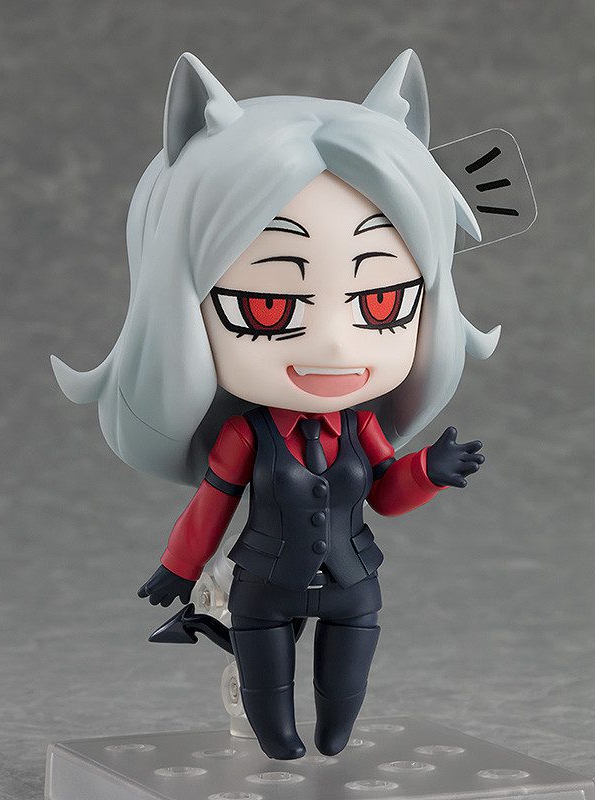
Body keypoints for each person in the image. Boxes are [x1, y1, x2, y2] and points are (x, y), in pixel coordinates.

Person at [52, 49, 499, 760]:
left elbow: (386, 493)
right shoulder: (247, 436)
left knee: (344, 688)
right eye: (267, 307)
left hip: (353, 581)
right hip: (263, 585)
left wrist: (429, 471)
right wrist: (179, 566)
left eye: (381, 303)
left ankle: (333, 731)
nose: (333, 343)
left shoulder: (362, 427)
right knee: (268, 692)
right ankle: (276, 735)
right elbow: (212, 505)